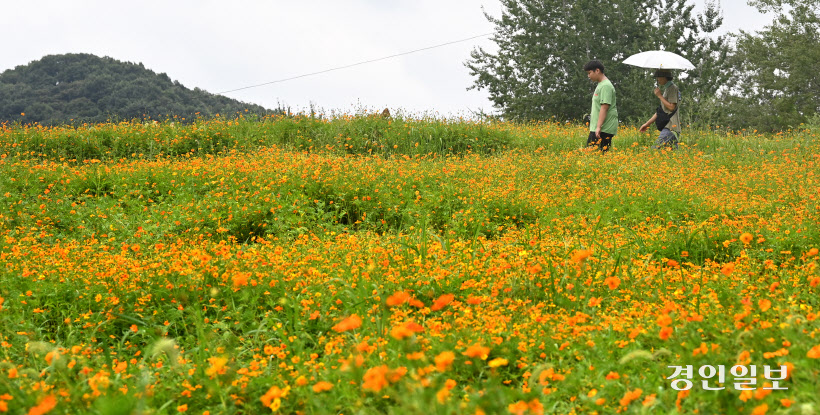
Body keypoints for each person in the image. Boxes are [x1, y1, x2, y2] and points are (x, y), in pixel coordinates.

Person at [639, 69, 681, 150]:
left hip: (671, 127)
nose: (657, 79)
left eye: (659, 77)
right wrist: (647, 124)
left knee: (653, 150)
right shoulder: (667, 89)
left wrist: (660, 96)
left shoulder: (672, 88)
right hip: (669, 127)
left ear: (665, 77)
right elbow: (660, 111)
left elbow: (672, 107)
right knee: (672, 157)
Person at [583, 60, 618, 153]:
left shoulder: (605, 86)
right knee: (596, 156)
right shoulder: (601, 85)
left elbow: (604, 107)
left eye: (589, 73)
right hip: (599, 127)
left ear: (597, 71)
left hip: (603, 128)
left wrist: (598, 127)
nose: (588, 76)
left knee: (592, 155)